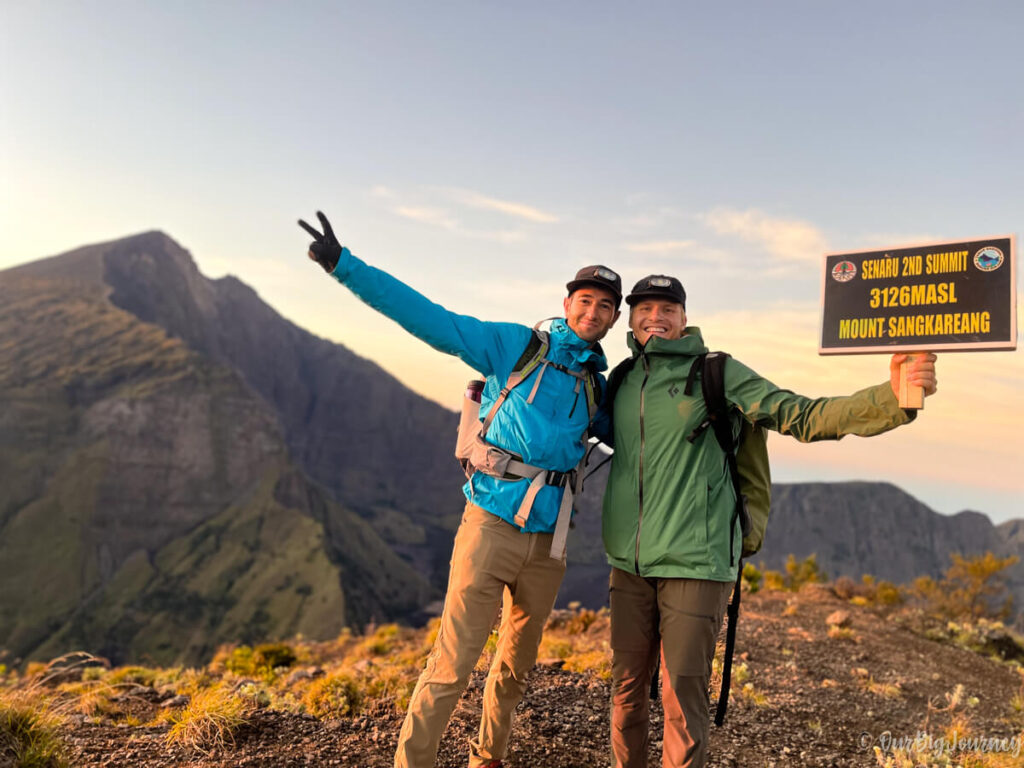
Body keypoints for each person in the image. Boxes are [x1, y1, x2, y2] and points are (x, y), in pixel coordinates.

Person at [298, 211, 622, 768]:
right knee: (453, 663)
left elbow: (645, 431)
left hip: (550, 542)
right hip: (491, 525)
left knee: (516, 667)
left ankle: (488, 758)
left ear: (615, 319)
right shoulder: (517, 347)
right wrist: (345, 267)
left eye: (605, 306)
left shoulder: (596, 386)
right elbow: (434, 321)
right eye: (584, 300)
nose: (593, 312)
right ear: (567, 304)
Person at [599, 274, 938, 768]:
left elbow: (800, 415)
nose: (656, 317)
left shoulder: (719, 372)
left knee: (680, 698)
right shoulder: (624, 379)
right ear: (629, 320)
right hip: (627, 565)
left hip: (696, 562)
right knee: (626, 691)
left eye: (668, 309)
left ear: (684, 318)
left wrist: (894, 396)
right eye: (645, 309)